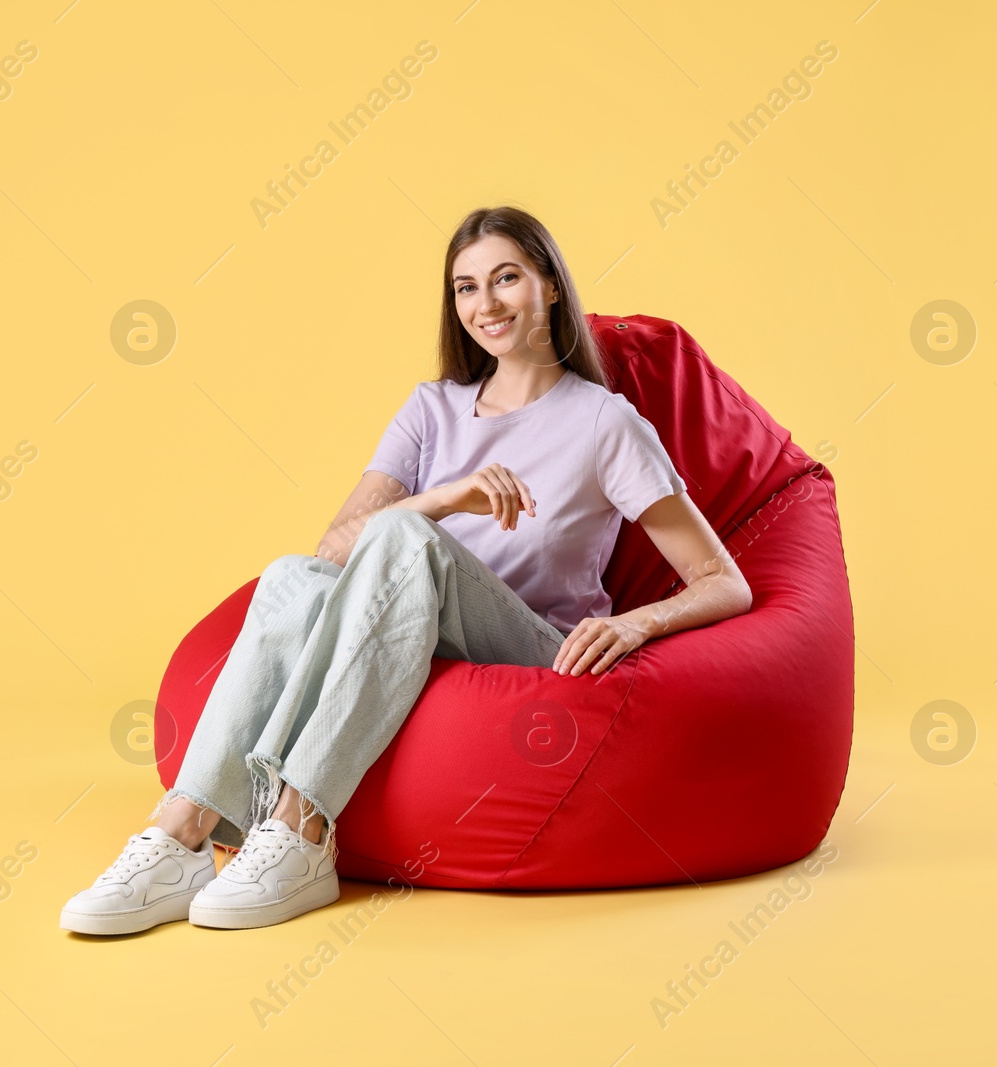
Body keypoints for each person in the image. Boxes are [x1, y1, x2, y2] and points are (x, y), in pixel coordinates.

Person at [59, 205, 753, 936]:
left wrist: (634, 621)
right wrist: (449, 496)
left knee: (401, 537)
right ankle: (182, 832)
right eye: (466, 287)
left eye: (506, 278)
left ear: (549, 285)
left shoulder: (604, 423)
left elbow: (724, 580)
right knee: (292, 575)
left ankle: (302, 828)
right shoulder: (432, 410)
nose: (485, 304)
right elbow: (333, 551)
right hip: (411, 628)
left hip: (533, 645)